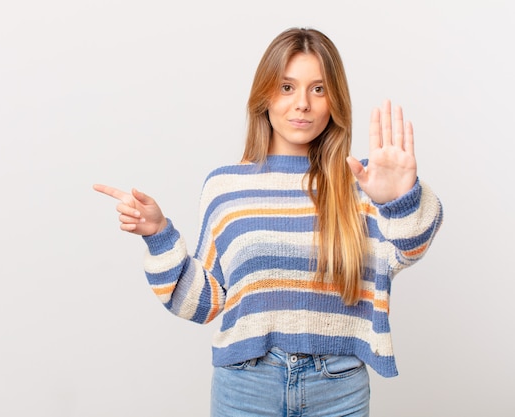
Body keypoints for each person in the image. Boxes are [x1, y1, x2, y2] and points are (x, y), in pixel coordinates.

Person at [93, 27, 443, 417]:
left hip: (339, 387)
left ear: (334, 101)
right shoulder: (225, 186)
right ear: (264, 96)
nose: (303, 105)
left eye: (318, 89)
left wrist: (399, 198)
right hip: (245, 386)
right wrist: (159, 236)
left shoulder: (361, 182)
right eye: (287, 87)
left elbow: (409, 248)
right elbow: (204, 302)